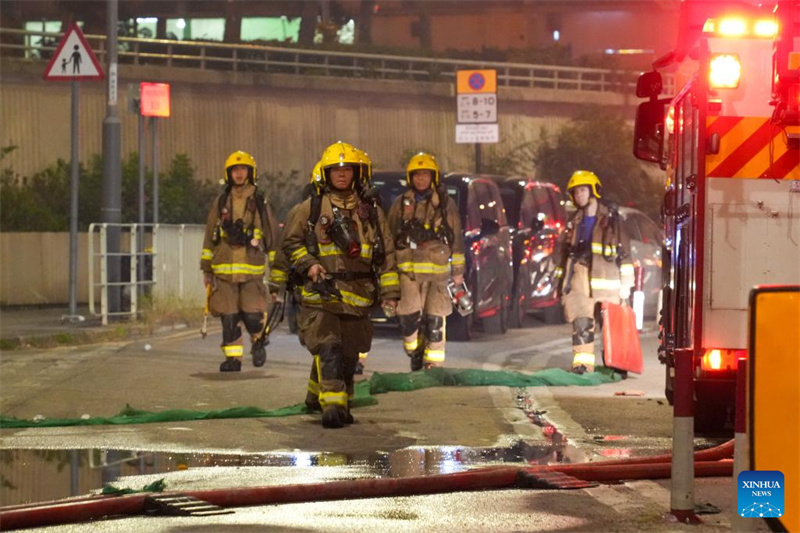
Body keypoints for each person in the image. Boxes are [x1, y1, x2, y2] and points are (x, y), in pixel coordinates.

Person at [281, 141, 400, 428]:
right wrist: (310, 264)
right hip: (322, 293)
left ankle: (331, 399)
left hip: (358, 296)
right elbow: (291, 243)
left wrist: (391, 293)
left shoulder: (371, 212)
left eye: (348, 169)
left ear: (358, 173)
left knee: (349, 353)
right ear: (327, 174)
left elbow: (387, 253)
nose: (342, 174)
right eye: (336, 170)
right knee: (329, 346)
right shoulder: (310, 209)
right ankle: (332, 407)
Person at [200, 150, 279, 372]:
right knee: (229, 317)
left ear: (250, 172)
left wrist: (277, 273)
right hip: (223, 272)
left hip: (252, 272)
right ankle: (233, 358)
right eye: (235, 169)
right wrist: (206, 268)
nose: (239, 173)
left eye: (243, 169)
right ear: (229, 173)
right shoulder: (221, 202)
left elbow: (272, 237)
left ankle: (258, 341)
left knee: (253, 316)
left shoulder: (260, 201)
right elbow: (209, 237)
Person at [388, 152, 465, 371]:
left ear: (433, 177)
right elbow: (390, 236)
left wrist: (458, 273)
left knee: (435, 320)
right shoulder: (400, 204)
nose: (421, 179)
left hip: (438, 274)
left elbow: (456, 239)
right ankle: (415, 351)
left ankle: (433, 364)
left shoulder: (446, 205)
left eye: (425, 174)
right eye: (417, 175)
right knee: (408, 320)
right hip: (408, 272)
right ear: (410, 177)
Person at [555, 170, 635, 374]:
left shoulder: (611, 218)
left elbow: (625, 253)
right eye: (576, 192)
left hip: (606, 276)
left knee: (611, 323)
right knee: (581, 320)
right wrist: (560, 283)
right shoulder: (574, 220)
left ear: (593, 191)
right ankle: (583, 365)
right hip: (580, 275)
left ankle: (617, 364)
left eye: (582, 190)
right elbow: (564, 254)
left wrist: (626, 284)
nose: (579, 195)